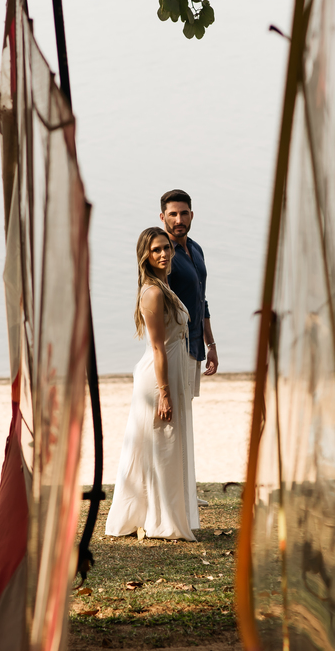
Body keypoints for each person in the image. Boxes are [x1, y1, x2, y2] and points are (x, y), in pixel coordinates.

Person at [105, 227, 198, 541]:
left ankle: (155, 514)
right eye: (156, 249)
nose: (163, 254)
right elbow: (158, 347)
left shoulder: (164, 286)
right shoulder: (153, 293)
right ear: (145, 255)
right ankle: (161, 520)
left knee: (160, 445)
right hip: (158, 377)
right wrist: (164, 393)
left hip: (171, 370)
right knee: (162, 444)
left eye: (166, 248)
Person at [160, 190, 215, 507]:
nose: (179, 219)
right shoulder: (164, 255)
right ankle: (176, 493)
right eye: (173, 214)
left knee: (185, 417)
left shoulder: (195, 249)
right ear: (163, 217)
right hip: (175, 345)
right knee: (173, 421)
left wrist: (211, 343)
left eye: (184, 213)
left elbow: (201, 299)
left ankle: (186, 489)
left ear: (191, 215)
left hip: (195, 344)